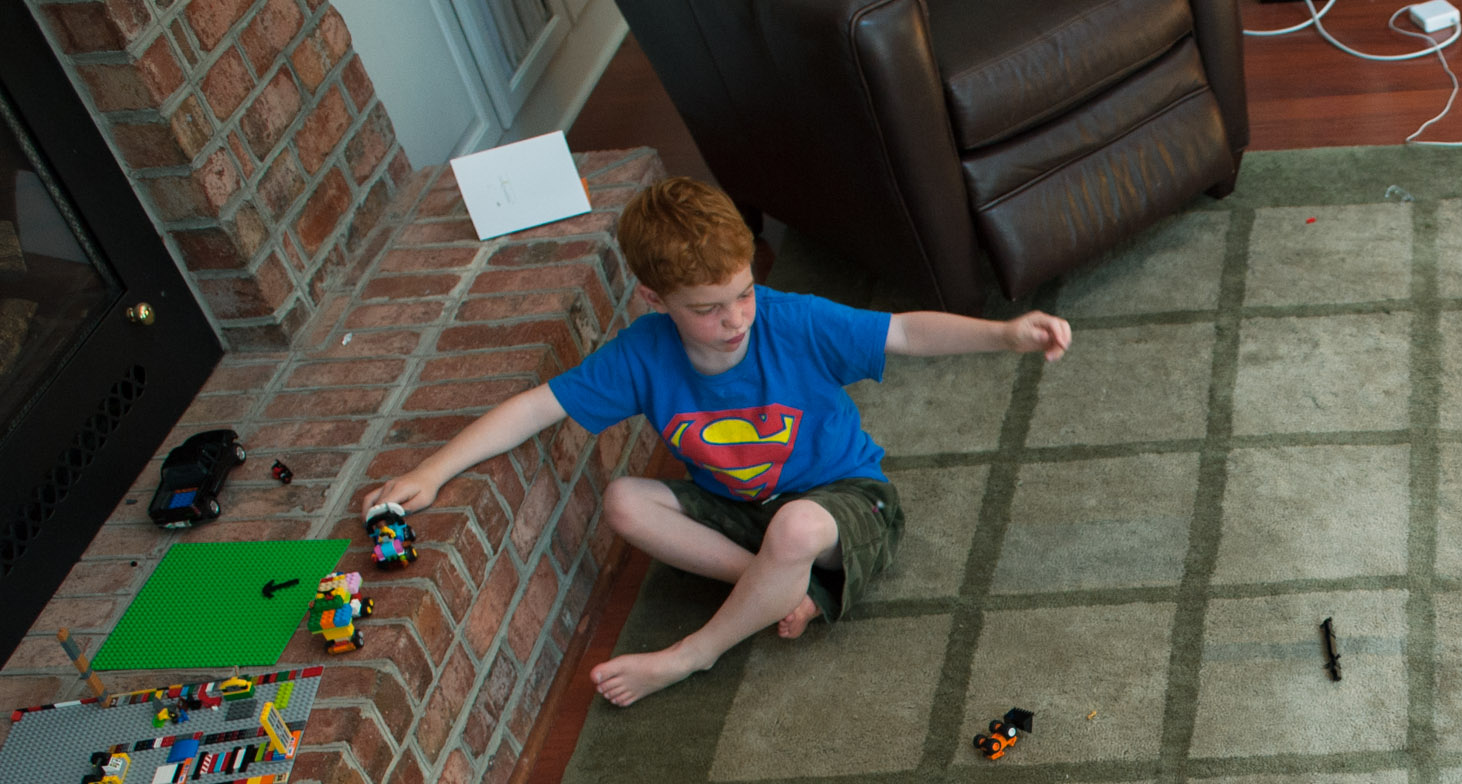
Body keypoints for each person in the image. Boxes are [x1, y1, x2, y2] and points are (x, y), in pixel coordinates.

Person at [362, 177, 1070, 706]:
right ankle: (775, 590)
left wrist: (1004, 335)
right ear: (654, 301)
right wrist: (435, 468)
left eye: (743, 293)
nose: (735, 319)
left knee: (794, 530)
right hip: (739, 510)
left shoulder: (792, 322)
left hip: (848, 504)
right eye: (707, 309)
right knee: (624, 502)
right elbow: (538, 408)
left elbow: (907, 331)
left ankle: (691, 655)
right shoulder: (642, 354)